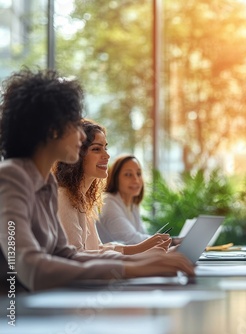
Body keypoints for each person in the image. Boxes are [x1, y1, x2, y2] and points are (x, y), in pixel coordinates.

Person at [0, 68, 194, 291]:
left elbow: (67, 255)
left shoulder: (46, 184)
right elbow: (32, 269)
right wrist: (130, 268)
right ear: (52, 130)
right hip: (14, 319)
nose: (81, 136)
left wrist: (141, 260)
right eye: (74, 125)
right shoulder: (10, 178)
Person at [53, 119, 170, 254]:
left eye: (105, 148)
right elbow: (75, 257)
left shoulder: (84, 200)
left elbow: (96, 248)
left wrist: (141, 248)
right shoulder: (63, 197)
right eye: (96, 149)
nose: (107, 155)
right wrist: (137, 261)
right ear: (76, 155)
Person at [97, 154, 151, 244]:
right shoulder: (108, 203)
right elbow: (131, 240)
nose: (136, 180)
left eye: (138, 174)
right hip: (111, 258)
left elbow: (142, 235)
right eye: (128, 174)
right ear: (115, 178)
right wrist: (171, 241)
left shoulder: (133, 205)